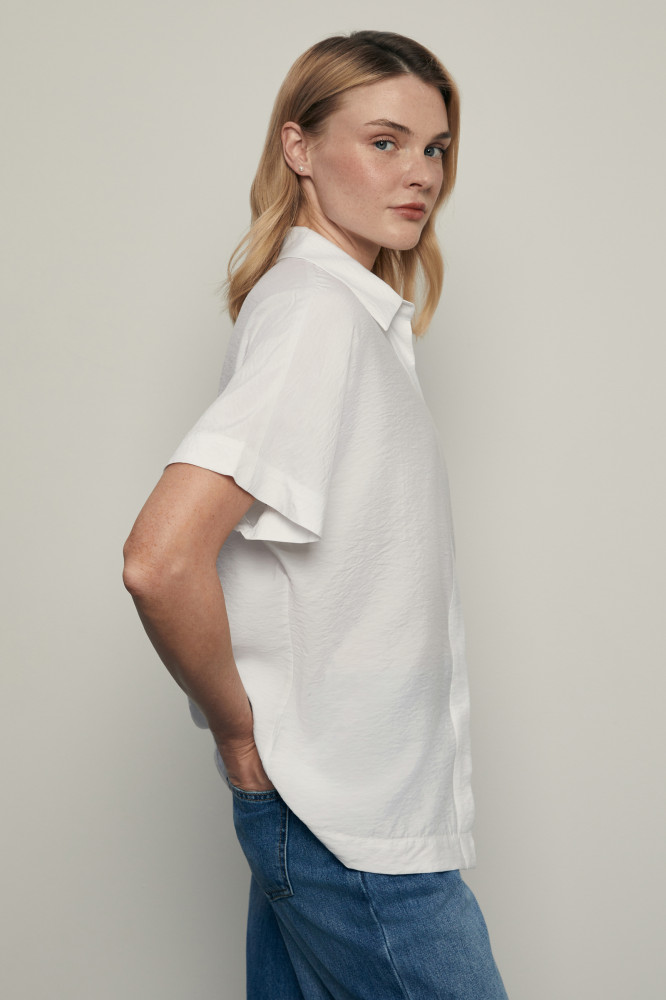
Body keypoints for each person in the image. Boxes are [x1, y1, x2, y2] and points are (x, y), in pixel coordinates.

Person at [123, 29, 509, 1000]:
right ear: (299, 146)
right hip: (348, 824)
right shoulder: (315, 316)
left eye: (436, 147)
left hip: (343, 807)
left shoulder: (347, 316)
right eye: (385, 142)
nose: (421, 173)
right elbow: (160, 559)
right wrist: (240, 737)